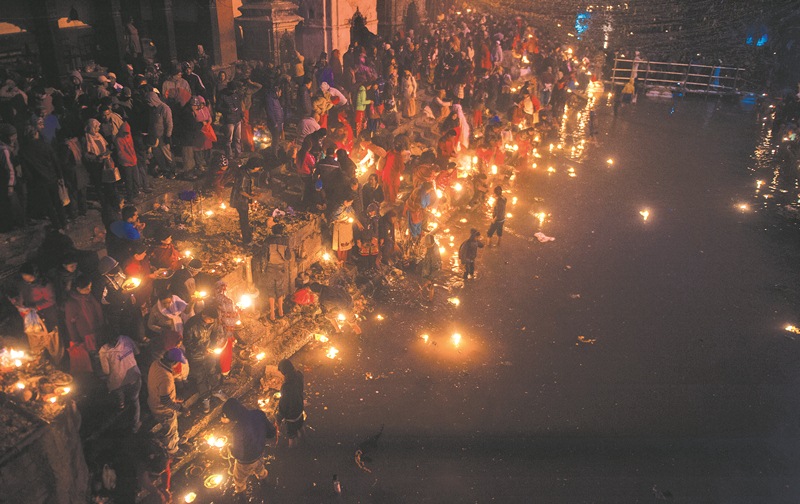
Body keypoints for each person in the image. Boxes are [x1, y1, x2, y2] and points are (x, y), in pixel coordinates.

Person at [221, 398, 276, 495]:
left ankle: (242, 498)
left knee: (239, 481)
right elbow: (271, 433)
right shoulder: (259, 414)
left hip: (245, 462)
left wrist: (229, 449)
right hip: (259, 453)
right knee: (260, 469)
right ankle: (266, 485)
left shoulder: (237, 430)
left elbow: (238, 454)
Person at [99, 329, 142, 433]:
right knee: (134, 401)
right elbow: (137, 351)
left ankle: (121, 406)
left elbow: (106, 371)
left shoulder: (103, 351)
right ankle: (135, 426)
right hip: (133, 377)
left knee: (119, 395)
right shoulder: (126, 339)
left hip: (117, 382)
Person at [147, 348, 187, 457]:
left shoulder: (156, 363)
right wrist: (180, 408)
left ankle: (176, 440)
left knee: (172, 427)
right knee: (170, 430)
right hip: (162, 410)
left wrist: (174, 398)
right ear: (174, 362)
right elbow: (165, 401)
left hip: (153, 400)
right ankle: (173, 450)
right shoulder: (166, 379)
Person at [64, 274, 105, 372]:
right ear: (78, 289)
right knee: (94, 355)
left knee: (101, 352)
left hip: (97, 330)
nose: (89, 290)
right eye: (86, 288)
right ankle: (98, 373)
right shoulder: (72, 303)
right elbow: (70, 323)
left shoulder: (89, 296)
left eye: (90, 287)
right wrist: (75, 339)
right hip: (87, 334)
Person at [183, 305, 224, 403]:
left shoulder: (213, 322)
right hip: (195, 355)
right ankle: (205, 399)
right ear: (203, 314)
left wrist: (213, 347)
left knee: (212, 371)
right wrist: (203, 349)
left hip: (209, 352)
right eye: (209, 319)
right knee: (200, 377)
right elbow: (187, 343)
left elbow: (214, 335)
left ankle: (216, 390)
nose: (211, 322)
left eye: (213, 320)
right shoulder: (191, 325)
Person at [254, 223, 292, 322]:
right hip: (281, 270)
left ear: (273, 231)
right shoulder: (285, 241)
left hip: (270, 269)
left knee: (270, 291)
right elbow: (288, 257)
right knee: (280, 290)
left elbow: (264, 256)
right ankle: (281, 311)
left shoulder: (268, 241)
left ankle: (272, 314)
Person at [229, 157, 264, 245]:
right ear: (254, 167)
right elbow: (241, 190)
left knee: (244, 218)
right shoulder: (244, 175)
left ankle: (248, 236)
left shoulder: (244, 171)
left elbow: (244, 188)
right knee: (244, 219)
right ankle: (247, 240)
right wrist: (252, 197)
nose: (259, 169)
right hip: (240, 200)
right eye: (258, 167)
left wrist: (252, 194)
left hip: (241, 199)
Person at [276, 359, 305, 448]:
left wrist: (278, 419)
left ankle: (292, 452)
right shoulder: (299, 375)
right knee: (300, 425)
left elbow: (283, 406)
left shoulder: (286, 387)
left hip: (291, 416)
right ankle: (304, 440)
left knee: (292, 436)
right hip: (300, 408)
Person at [218, 80, 243, 160]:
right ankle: (229, 155)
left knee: (238, 138)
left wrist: (241, 115)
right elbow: (218, 107)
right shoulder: (222, 95)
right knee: (229, 139)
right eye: (232, 90)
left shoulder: (236, 94)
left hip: (237, 119)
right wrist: (228, 110)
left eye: (235, 90)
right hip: (229, 120)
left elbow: (239, 105)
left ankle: (238, 154)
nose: (234, 91)